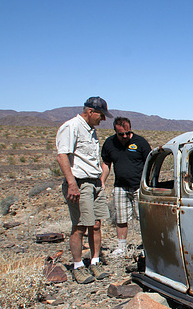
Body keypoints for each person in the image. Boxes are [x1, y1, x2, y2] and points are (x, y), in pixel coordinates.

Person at [56, 97, 112, 284]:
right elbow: (62, 156)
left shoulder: (91, 131)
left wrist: (100, 182)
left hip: (94, 182)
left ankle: (94, 261)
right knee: (79, 225)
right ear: (90, 111)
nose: (102, 120)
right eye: (101, 115)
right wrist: (72, 184)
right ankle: (78, 266)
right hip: (80, 183)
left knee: (96, 224)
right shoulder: (71, 127)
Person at [101, 116, 151, 256]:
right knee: (121, 218)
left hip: (139, 187)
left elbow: (150, 163)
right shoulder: (110, 143)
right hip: (120, 186)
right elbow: (106, 163)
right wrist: (102, 181)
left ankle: (147, 246)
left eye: (127, 133)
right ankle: (121, 247)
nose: (124, 136)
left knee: (143, 218)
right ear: (115, 131)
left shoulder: (140, 142)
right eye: (121, 134)